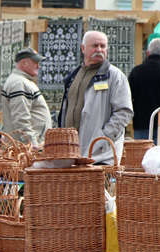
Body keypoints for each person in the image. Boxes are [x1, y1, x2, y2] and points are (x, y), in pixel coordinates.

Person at [60, 31, 133, 164]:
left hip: (101, 155)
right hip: (72, 153)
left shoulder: (115, 76)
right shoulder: (74, 75)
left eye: (103, 46)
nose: (99, 50)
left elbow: (124, 112)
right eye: (94, 45)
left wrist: (103, 137)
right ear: (83, 48)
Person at [2, 47, 52, 148]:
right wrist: (31, 142)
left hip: (26, 146)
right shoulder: (19, 83)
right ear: (24, 63)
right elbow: (20, 117)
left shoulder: (21, 81)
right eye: (35, 62)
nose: (38, 66)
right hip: (27, 148)